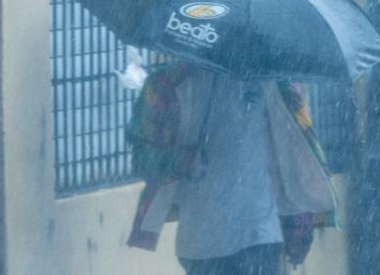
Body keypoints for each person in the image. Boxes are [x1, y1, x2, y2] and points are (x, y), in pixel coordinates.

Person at [125, 62, 338, 275]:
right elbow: (142, 159)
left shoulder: (275, 79)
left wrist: (300, 223)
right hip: (201, 243)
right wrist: (175, 160)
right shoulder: (168, 84)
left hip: (260, 236)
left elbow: (295, 152)